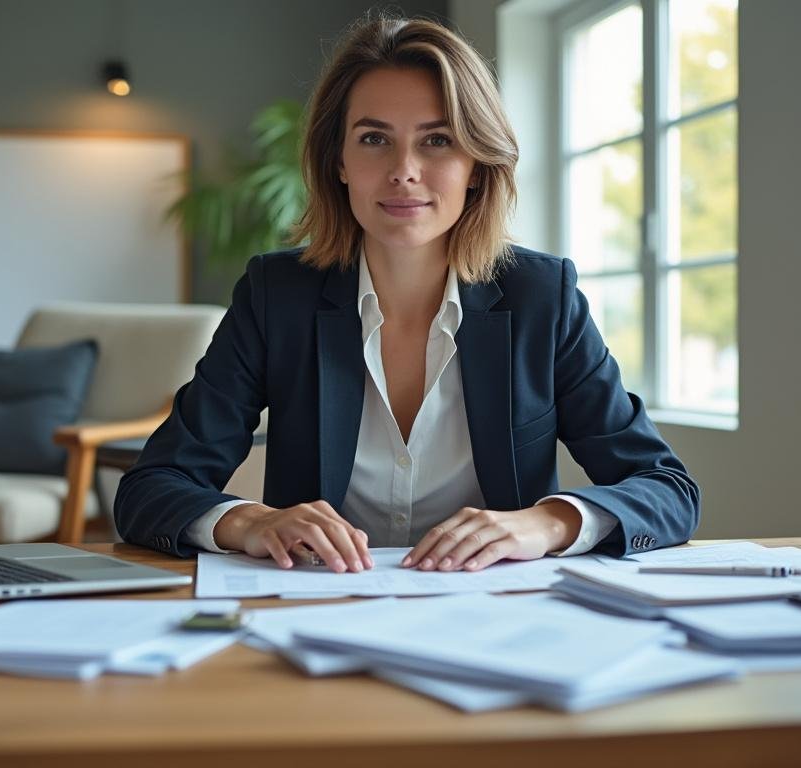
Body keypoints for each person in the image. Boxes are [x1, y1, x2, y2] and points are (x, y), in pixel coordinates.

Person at [114, 14, 699, 573]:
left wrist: (547, 524)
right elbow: (151, 489)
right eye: (374, 138)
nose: (404, 170)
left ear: (477, 164)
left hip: (502, 618)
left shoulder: (542, 297)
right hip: (317, 612)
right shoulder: (277, 295)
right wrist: (249, 523)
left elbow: (667, 490)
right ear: (338, 161)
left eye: (438, 140)